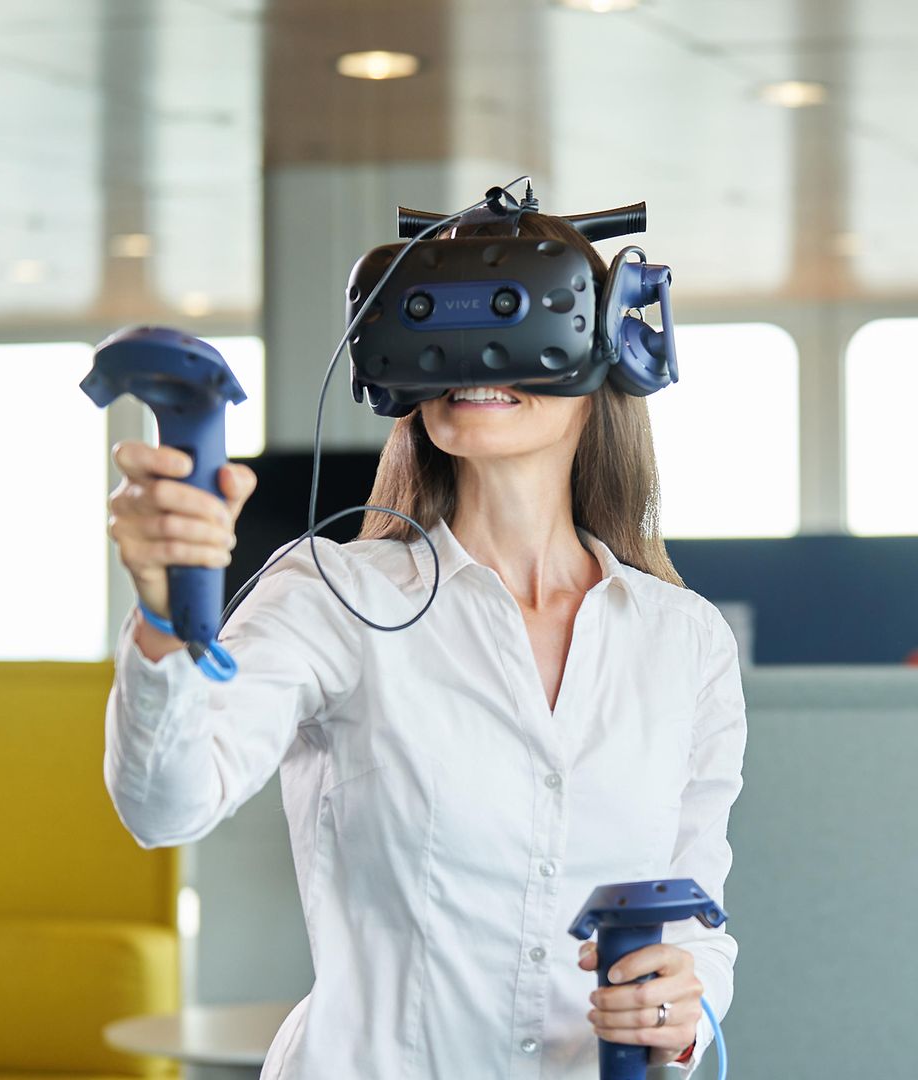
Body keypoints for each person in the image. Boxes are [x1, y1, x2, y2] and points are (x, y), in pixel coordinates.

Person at [102, 212, 744, 1077]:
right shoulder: (335, 594)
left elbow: (695, 918)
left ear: (609, 348)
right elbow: (165, 806)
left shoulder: (684, 643)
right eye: (439, 321)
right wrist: (165, 615)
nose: (476, 357)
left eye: (512, 316)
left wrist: (683, 1003)